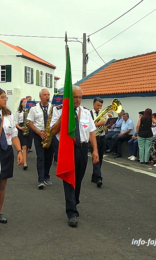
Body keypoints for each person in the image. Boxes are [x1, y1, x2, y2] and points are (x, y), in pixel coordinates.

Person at [51, 85, 99, 227]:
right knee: (69, 180)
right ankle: (71, 212)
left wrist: (95, 150)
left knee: (78, 179)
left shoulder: (85, 112)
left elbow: (91, 132)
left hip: (83, 149)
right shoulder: (58, 110)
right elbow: (53, 130)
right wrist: (64, 115)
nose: (77, 100)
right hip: (68, 149)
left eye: (80, 97)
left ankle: (74, 200)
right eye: (75, 97)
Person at [0, 87, 23, 235]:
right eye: (2, 97)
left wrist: (19, 151)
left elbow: (13, 134)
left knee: (2, 185)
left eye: (5, 97)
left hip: (6, 152)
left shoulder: (8, 115)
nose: (5, 99)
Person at [27, 89, 54, 189]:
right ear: (40, 96)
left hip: (50, 135)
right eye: (45, 95)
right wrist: (39, 132)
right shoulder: (34, 109)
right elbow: (30, 123)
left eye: (48, 95)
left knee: (49, 157)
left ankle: (47, 175)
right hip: (38, 135)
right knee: (41, 157)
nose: (47, 96)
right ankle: (41, 179)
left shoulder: (53, 107)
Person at [89, 97, 106, 187]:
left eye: (101, 106)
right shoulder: (89, 113)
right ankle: (99, 177)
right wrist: (100, 124)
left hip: (102, 137)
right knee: (96, 157)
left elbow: (104, 127)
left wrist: (108, 124)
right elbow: (89, 125)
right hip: (94, 138)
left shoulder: (102, 114)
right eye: (98, 105)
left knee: (101, 158)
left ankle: (94, 176)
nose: (99, 107)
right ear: (93, 104)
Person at [15, 98, 32, 170]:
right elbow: (15, 122)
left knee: (28, 147)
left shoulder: (30, 111)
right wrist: (20, 128)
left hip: (29, 127)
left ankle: (24, 159)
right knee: (24, 146)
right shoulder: (18, 112)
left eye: (27, 102)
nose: (25, 104)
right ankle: (25, 163)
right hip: (21, 127)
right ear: (21, 104)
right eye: (24, 102)